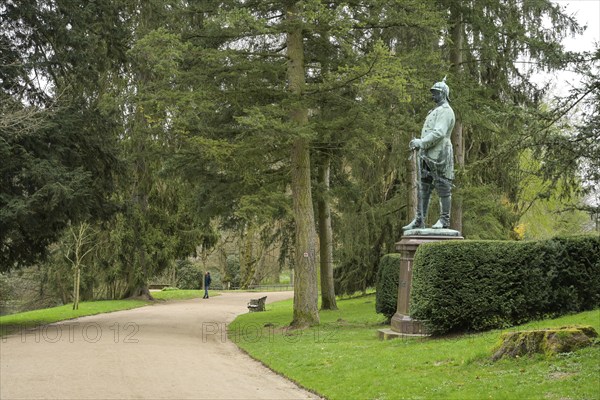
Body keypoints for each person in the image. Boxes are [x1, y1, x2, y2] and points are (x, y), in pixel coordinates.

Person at [403, 77, 456, 230]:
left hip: (440, 154)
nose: (433, 95)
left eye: (436, 92)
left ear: (444, 93)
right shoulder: (435, 110)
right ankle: (419, 219)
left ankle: (444, 220)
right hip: (427, 155)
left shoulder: (446, 111)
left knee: (443, 186)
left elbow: (439, 132)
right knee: (424, 187)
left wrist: (421, 142)